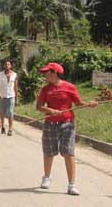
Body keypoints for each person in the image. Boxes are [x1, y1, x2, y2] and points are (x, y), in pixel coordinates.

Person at [36, 62, 98, 196]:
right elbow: (39, 106)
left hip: (67, 124)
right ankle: (46, 177)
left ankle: (71, 185)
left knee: (69, 153)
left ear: (55, 73)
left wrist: (89, 104)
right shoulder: (45, 89)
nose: (44, 74)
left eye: (47, 72)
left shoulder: (69, 87)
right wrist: (50, 110)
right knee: (49, 152)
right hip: (50, 124)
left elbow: (79, 103)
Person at [0, 59, 18, 135]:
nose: (7, 66)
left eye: (8, 64)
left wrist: (16, 98)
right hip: (2, 96)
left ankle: (10, 129)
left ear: (11, 66)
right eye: (6, 64)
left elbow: (16, 87)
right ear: (4, 66)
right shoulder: (0, 74)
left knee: (10, 112)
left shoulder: (14, 75)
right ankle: (3, 126)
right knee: (2, 112)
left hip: (11, 95)